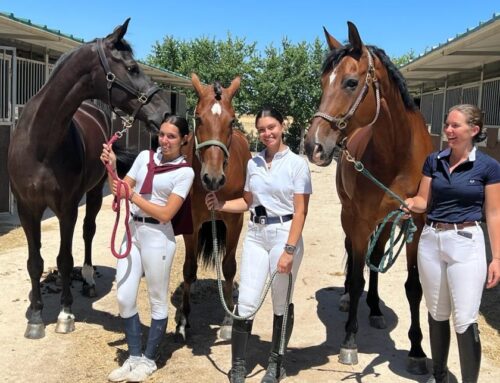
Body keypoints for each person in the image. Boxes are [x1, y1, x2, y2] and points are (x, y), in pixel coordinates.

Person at [205, 107, 312, 383]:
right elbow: (248, 202)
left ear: (282, 126)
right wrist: (222, 204)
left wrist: (289, 250)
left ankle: (277, 363)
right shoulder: (253, 163)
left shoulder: (296, 164)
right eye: (262, 129)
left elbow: (300, 211)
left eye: (271, 127)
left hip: (284, 233)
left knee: (280, 301)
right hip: (255, 233)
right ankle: (238, 365)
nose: (267, 134)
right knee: (247, 302)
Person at [403, 104, 500, 383]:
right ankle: (439, 375)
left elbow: (494, 213)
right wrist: (410, 204)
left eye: (455, 126)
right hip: (431, 241)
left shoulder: (489, 168)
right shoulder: (434, 161)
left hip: (466, 242)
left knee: (465, 318)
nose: (448, 130)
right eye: (447, 124)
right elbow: (424, 201)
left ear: (474, 130)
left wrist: (497, 258)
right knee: (436, 311)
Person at [100, 115, 194, 382]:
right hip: (133, 231)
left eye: (172, 136)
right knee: (124, 296)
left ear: (184, 139)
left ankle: (149, 360)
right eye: (162, 134)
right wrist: (112, 167)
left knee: (157, 299)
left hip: (158, 236)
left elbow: (167, 214)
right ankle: (134, 356)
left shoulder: (185, 172)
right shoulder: (144, 157)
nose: (164, 140)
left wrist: (134, 196)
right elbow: (119, 191)